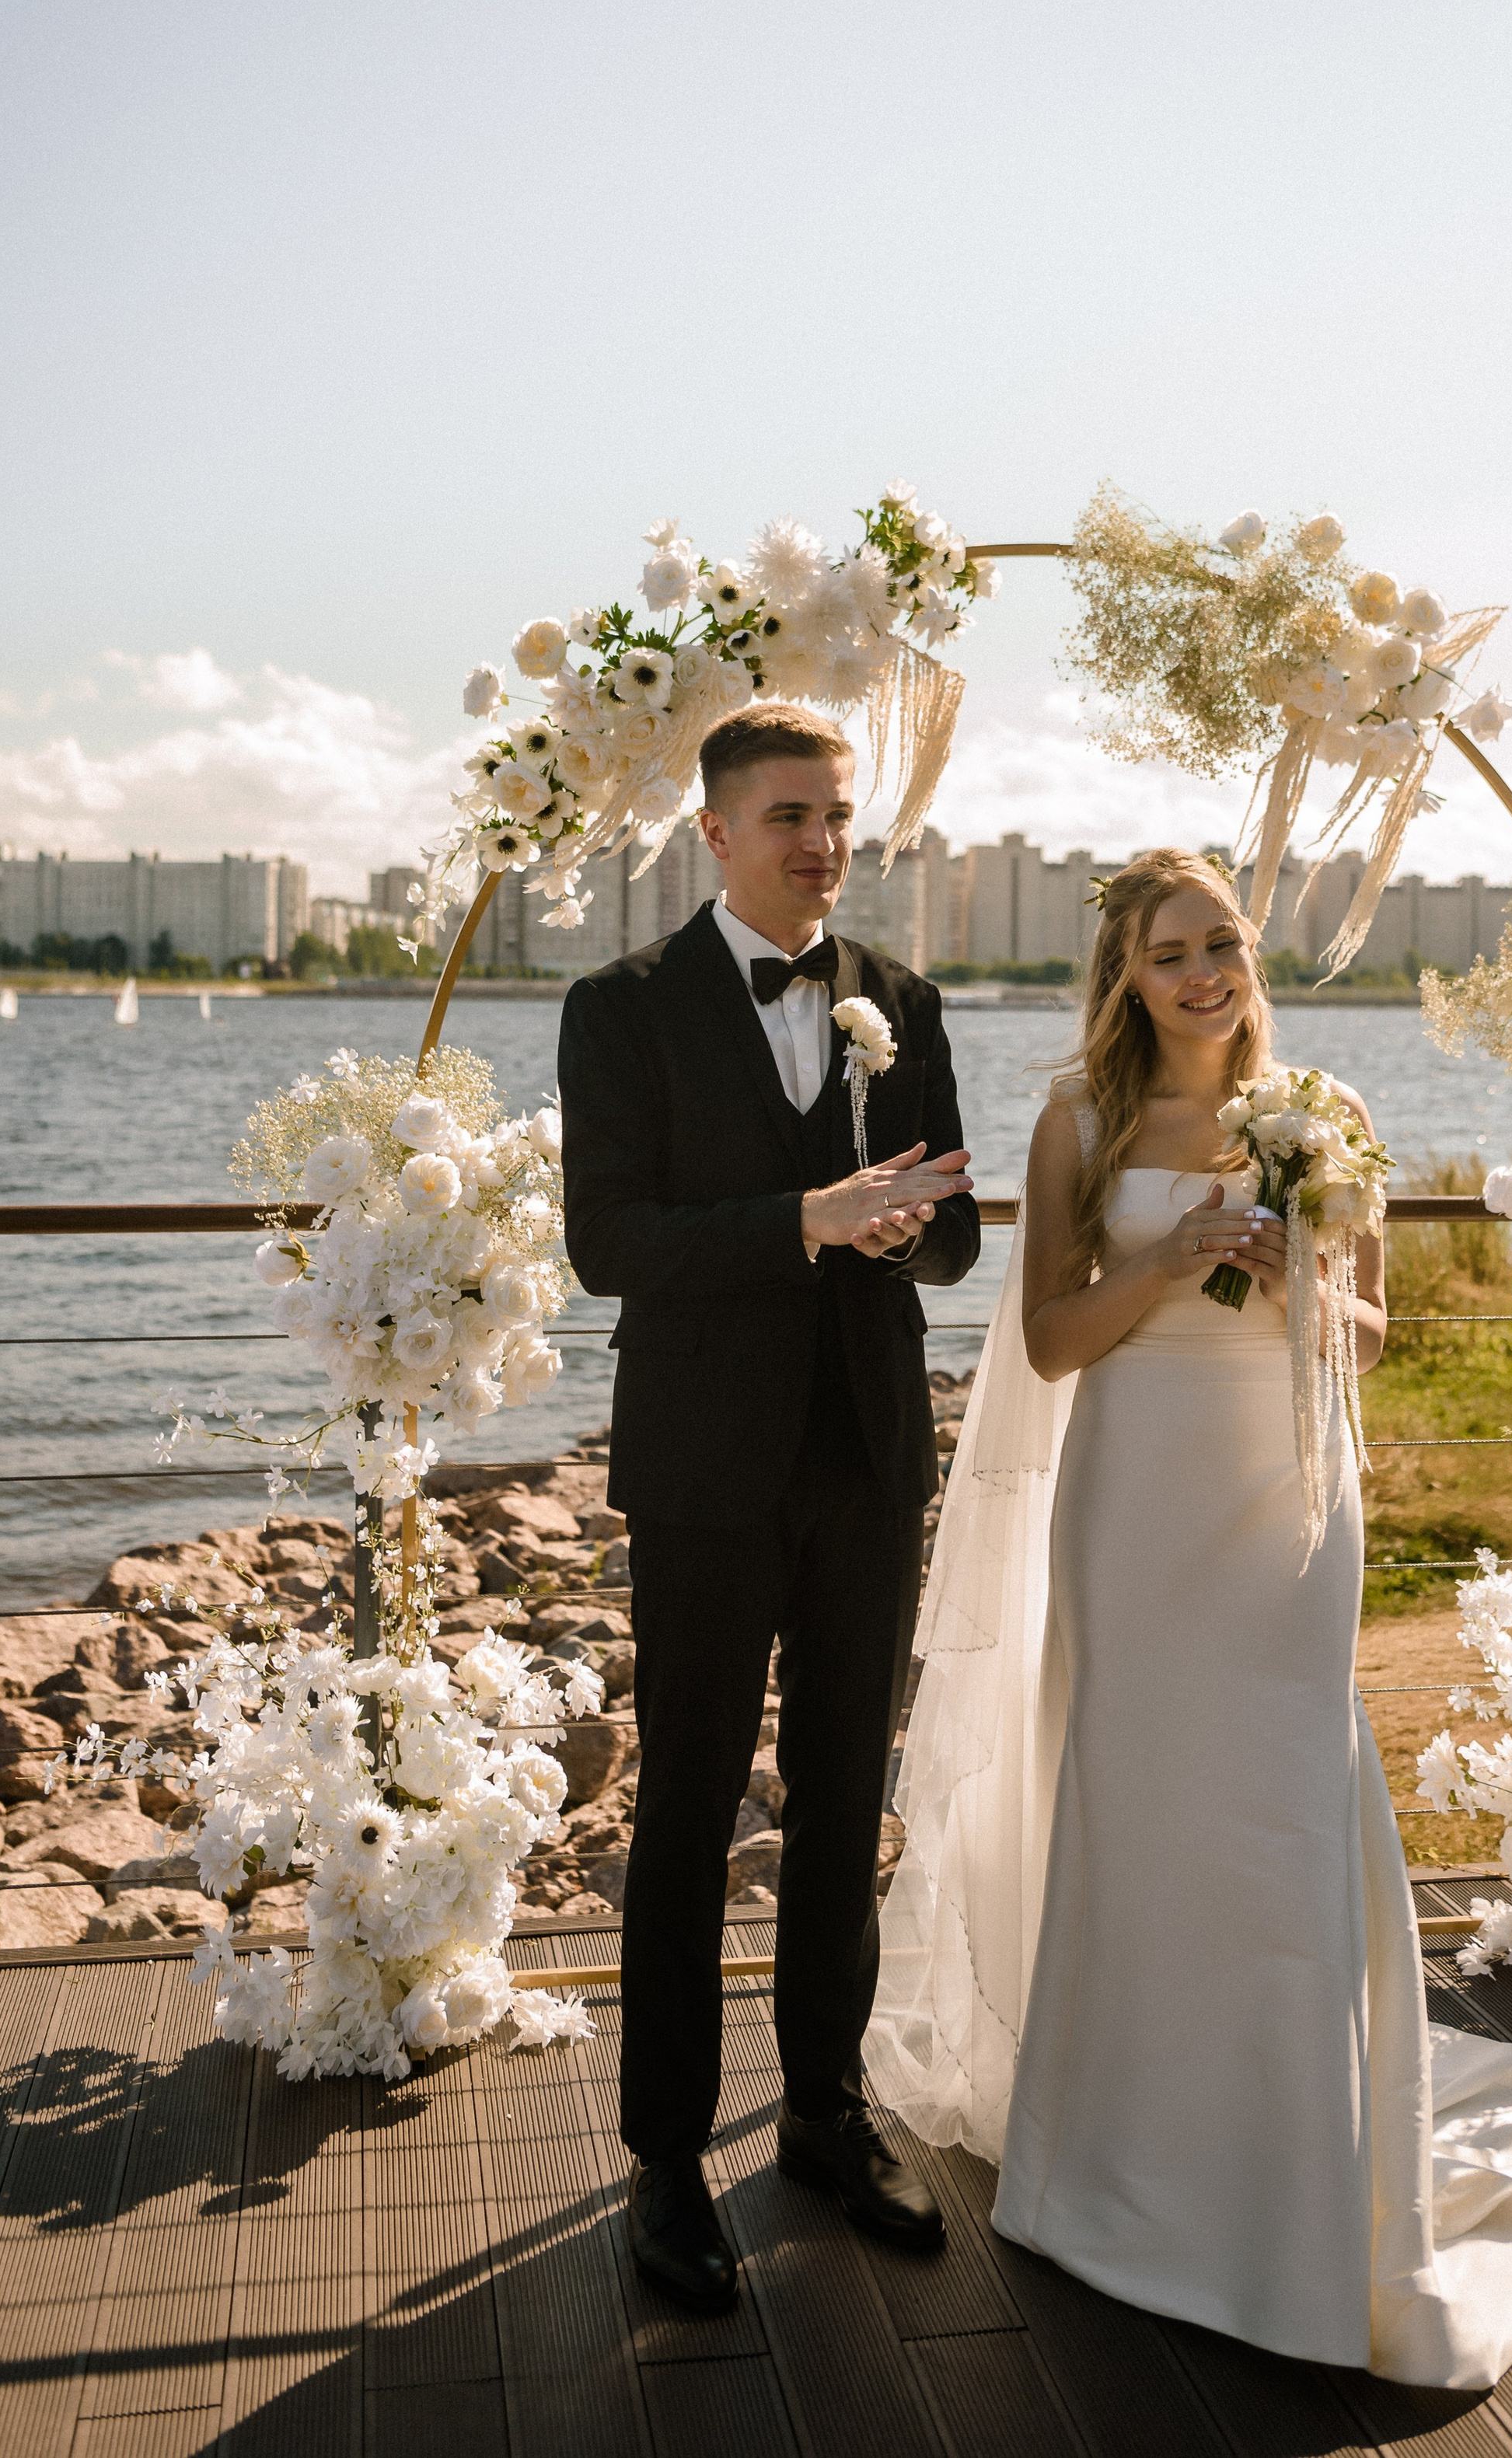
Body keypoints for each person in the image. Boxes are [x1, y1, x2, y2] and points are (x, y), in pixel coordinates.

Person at [868, 848, 1512, 2390]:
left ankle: (1300, 2162)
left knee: (1280, 1802)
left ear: (1250, 956)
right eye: (1170, 952)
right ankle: (1121, 2167)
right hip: (1136, 1501)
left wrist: (1299, 1274)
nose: (1203, 974)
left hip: (1284, 1500)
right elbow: (1051, 1343)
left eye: (1223, 944)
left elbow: (1369, 1334)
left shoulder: (1326, 1111)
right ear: (1125, 975)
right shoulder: (1080, 1119)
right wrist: (1172, 1259)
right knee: (1139, 1808)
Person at [558, 700, 982, 2314]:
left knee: (841, 1796)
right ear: (717, 832)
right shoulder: (619, 1007)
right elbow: (609, 1242)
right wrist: (806, 1216)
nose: (823, 841)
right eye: (792, 814)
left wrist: (904, 1234)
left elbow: (954, 1233)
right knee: (683, 1809)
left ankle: (823, 2111)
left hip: (868, 1457)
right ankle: (665, 2156)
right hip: (703, 1469)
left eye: (840, 814)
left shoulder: (903, 999)